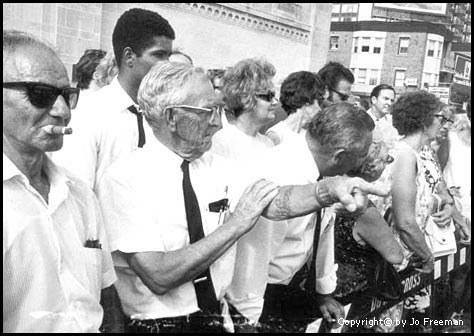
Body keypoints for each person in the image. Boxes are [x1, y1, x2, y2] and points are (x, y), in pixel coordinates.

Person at [96, 61, 389, 333]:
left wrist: (327, 191)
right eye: (207, 112)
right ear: (172, 117)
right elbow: (159, 275)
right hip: (158, 325)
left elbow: (275, 201)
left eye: (218, 110)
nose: (217, 123)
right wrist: (235, 225)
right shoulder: (124, 178)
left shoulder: (215, 166)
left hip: (216, 317)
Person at [3, 30, 118, 333]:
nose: (63, 111)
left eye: (67, 96)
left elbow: (106, 296)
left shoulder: (78, 194)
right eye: (40, 94)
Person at [257, 102, 376, 332]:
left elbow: (322, 233)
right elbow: (253, 262)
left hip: (291, 289)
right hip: (263, 296)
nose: (362, 162)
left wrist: (324, 293)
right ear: (339, 156)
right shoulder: (281, 174)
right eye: (362, 155)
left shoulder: (323, 175)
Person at [51, 8, 175, 191]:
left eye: (168, 56)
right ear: (129, 57)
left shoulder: (161, 115)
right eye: (159, 55)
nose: (167, 65)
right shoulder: (89, 116)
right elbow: (75, 195)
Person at [211, 57, 277, 159]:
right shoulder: (222, 141)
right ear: (245, 98)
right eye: (268, 96)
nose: (275, 102)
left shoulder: (268, 143)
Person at [265, 71, 326, 145]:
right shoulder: (276, 135)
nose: (320, 109)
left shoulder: (309, 137)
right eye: (319, 100)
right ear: (307, 100)